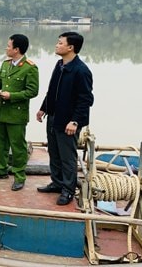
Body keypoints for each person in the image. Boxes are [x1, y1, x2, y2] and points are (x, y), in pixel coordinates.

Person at [36, 32, 94, 205]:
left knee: (67, 157)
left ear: (71, 47)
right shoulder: (60, 65)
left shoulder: (81, 70)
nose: (57, 45)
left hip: (68, 122)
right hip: (53, 117)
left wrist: (75, 121)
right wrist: (43, 108)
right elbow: (52, 90)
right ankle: (57, 182)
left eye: (60, 43)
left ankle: (68, 190)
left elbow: (86, 100)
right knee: (54, 153)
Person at [0, 34, 39, 191]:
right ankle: (1, 170)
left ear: (17, 49)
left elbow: (32, 91)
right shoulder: (5, 64)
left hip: (17, 114)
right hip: (2, 111)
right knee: (1, 144)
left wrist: (12, 96)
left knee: (17, 147)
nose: (6, 48)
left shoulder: (30, 68)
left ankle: (19, 176)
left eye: (8, 46)